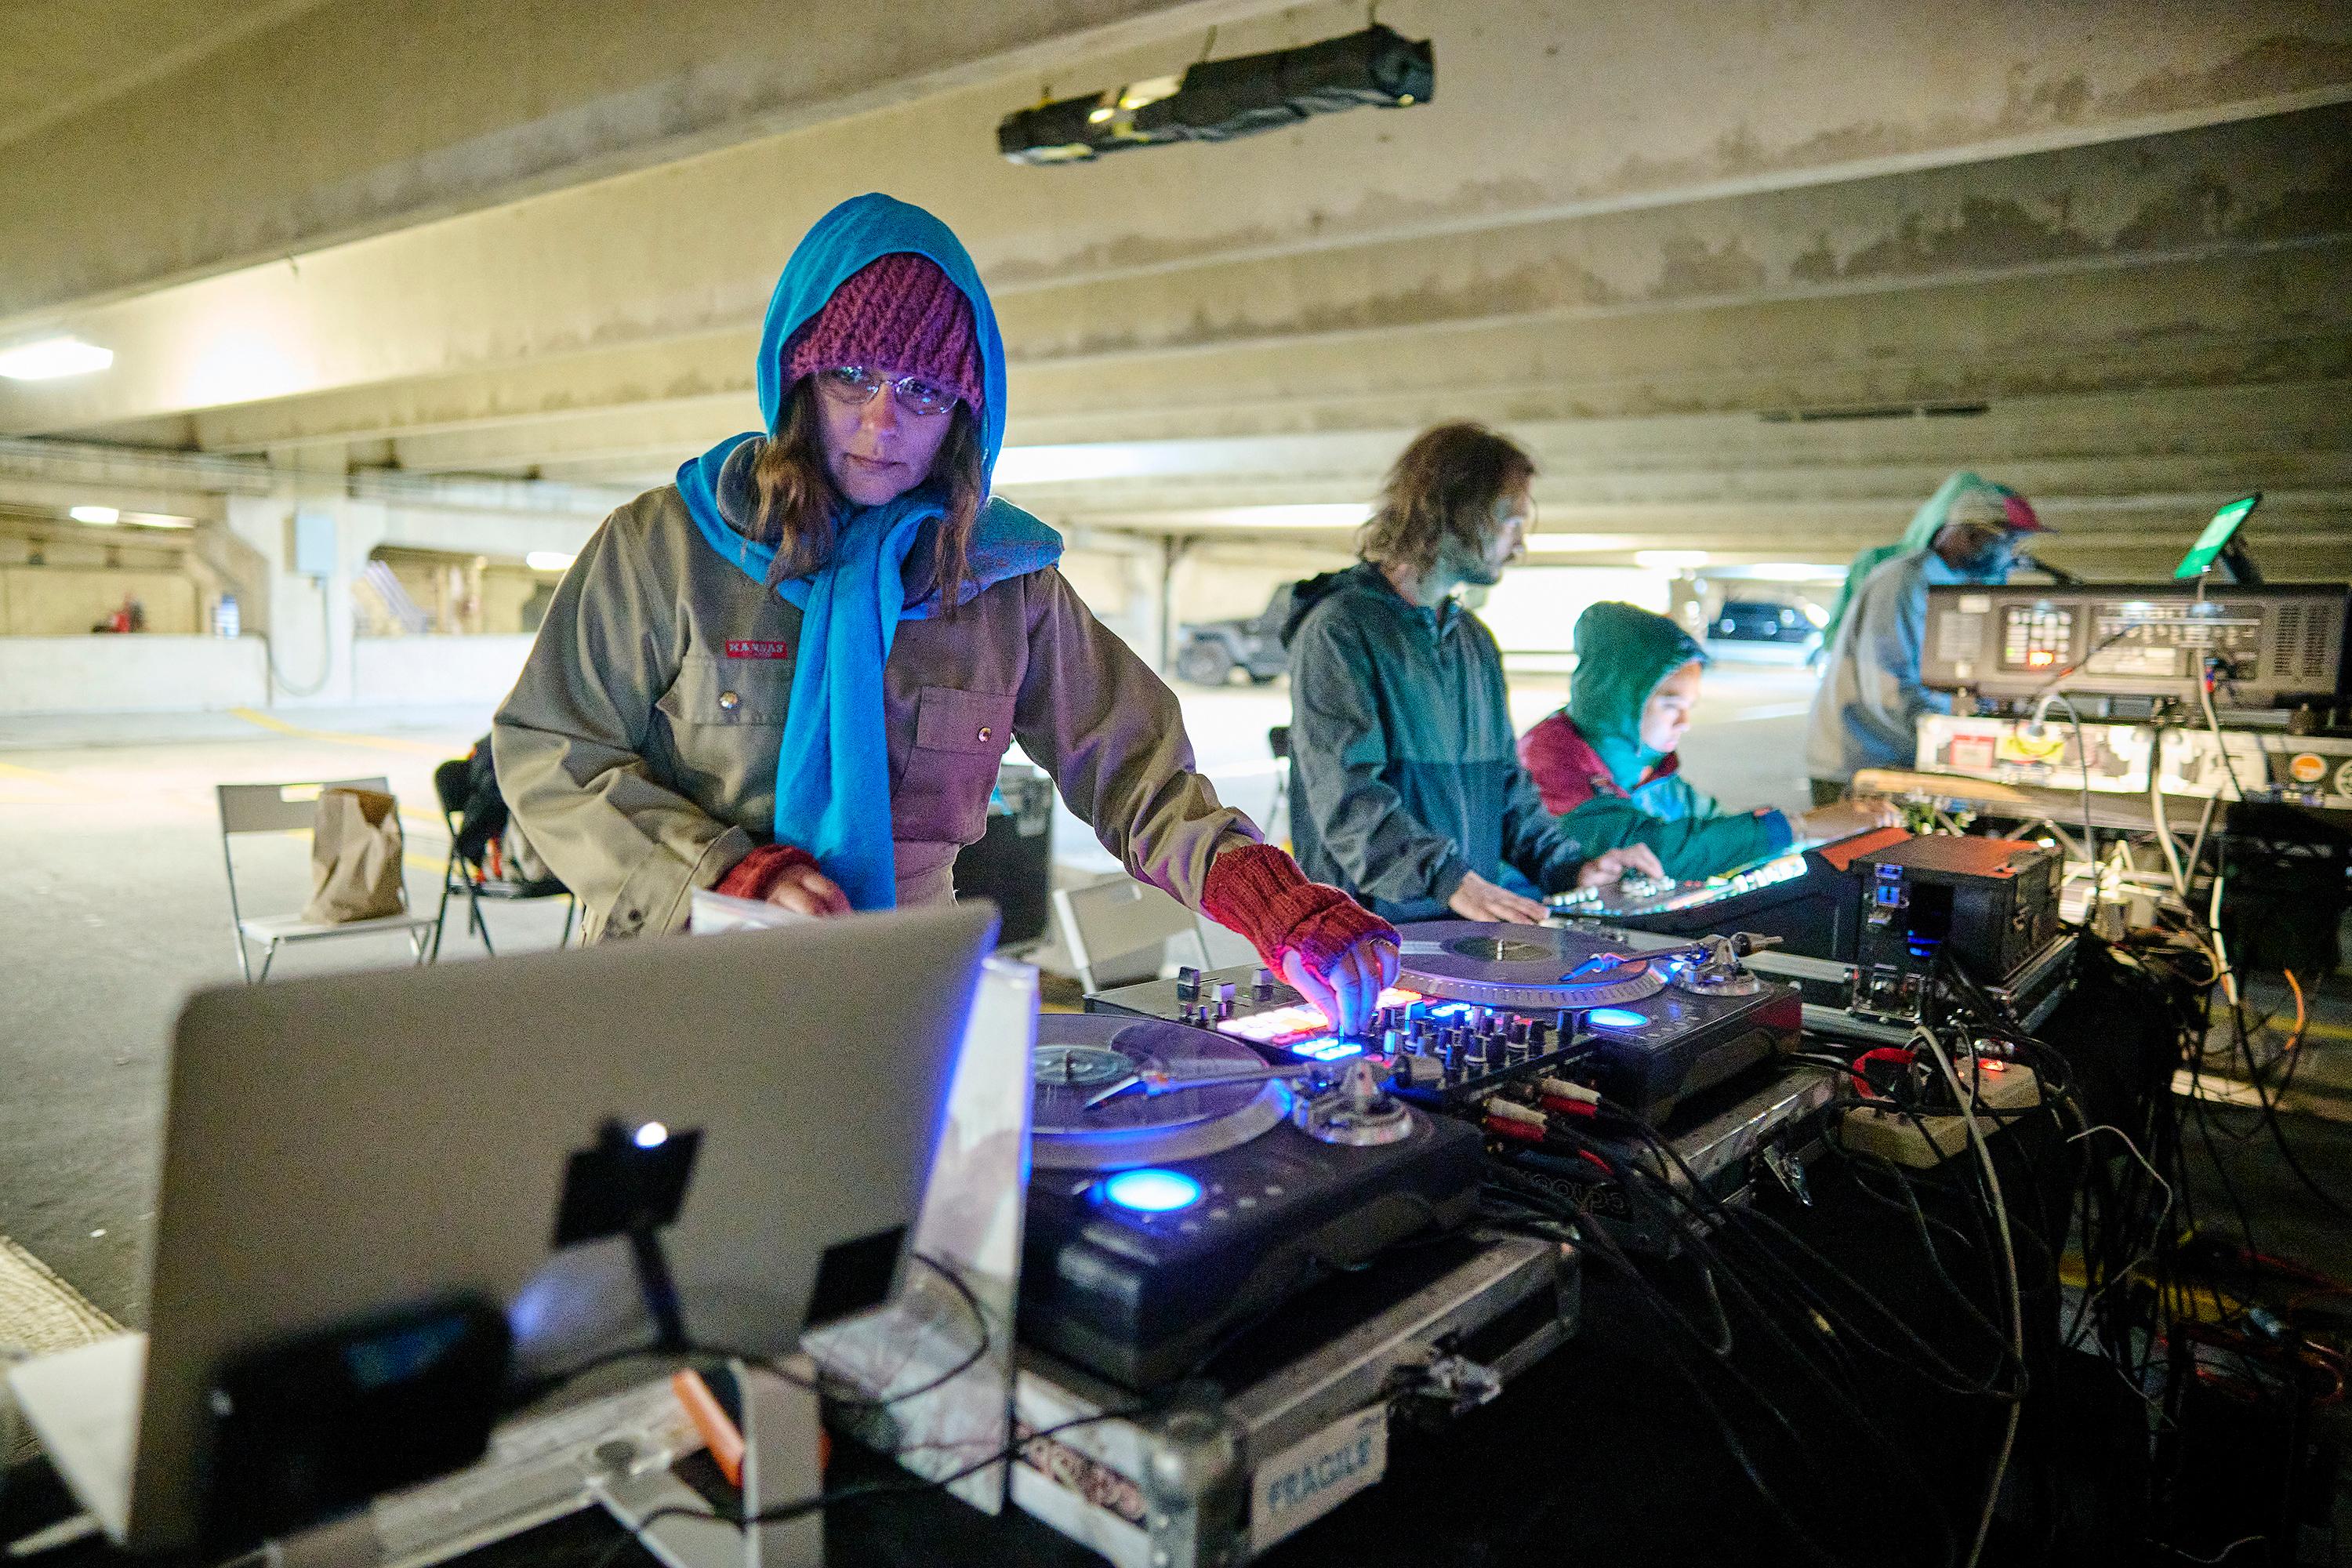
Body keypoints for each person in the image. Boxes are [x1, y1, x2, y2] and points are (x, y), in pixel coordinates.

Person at [494, 194, 1397, 1029]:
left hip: (903, 997)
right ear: (798, 381)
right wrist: (728, 871)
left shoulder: (1003, 583)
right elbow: (552, 750)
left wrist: (1277, 905)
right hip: (678, 983)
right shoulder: (666, 547)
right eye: (852, 376)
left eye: (923, 391)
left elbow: (1138, 776)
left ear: (967, 416)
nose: (882, 423)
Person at [1280, 423, 1664, 927]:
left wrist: (1571, 867)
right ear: (1456, 511)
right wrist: (1448, 879)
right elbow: (1347, 799)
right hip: (1366, 934)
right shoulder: (1339, 629)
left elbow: (1507, 786)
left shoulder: (1474, 642)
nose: (1519, 544)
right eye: (1510, 521)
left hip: (1462, 928)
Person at [1518, 601, 1898, 880]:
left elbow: (1711, 824)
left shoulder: (1648, 769)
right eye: (1670, 705)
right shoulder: (1549, 763)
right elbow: (1650, 846)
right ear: (1619, 699)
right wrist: (1799, 826)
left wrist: (1813, 830)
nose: (1684, 723)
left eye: (1688, 707)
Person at [1803, 473, 2045, 803]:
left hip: (1895, 763)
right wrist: (1959, 732)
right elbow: (1891, 684)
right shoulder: (1907, 580)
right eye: (2006, 542)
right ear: (1969, 536)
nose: (2011, 556)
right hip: (1858, 768)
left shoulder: (1951, 586)